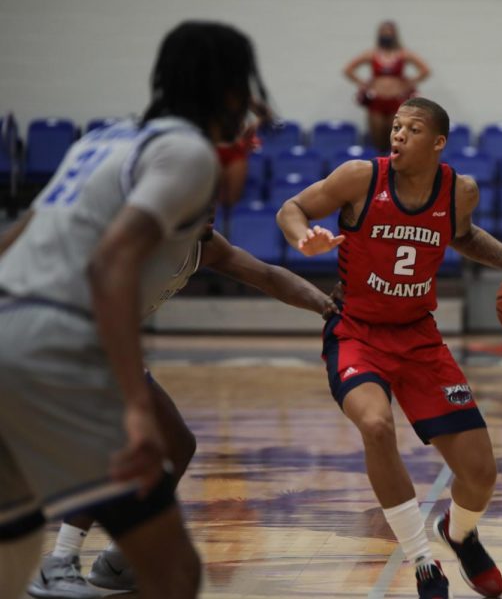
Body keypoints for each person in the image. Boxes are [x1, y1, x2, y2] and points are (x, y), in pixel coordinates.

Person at [0, 21, 269, 599]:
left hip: (7, 324)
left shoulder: (103, 139)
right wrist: (133, 407)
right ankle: (69, 562)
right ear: (229, 91)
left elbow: (20, 234)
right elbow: (110, 264)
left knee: (10, 556)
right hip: (56, 343)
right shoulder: (187, 153)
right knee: (174, 572)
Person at [276, 97, 502, 599]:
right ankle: (421, 561)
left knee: (481, 473)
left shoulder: (460, 191)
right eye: (395, 127)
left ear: (438, 142)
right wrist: (302, 236)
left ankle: (457, 534)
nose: (397, 135)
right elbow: (293, 207)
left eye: (412, 129)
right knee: (375, 425)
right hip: (356, 331)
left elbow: (465, 237)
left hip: (419, 336)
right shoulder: (359, 178)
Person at [26, 216, 337, 598]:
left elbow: (269, 276)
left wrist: (326, 305)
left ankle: (120, 558)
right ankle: (59, 562)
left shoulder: (205, 245)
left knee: (177, 443)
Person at [343, 21, 430, 154]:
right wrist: (363, 83)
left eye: (389, 32)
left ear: (395, 35)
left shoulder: (403, 54)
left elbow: (425, 70)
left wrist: (410, 82)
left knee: (396, 135)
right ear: (379, 34)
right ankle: (380, 166)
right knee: (378, 138)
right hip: (377, 101)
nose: (386, 35)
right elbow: (348, 69)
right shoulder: (372, 53)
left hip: (397, 101)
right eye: (384, 32)